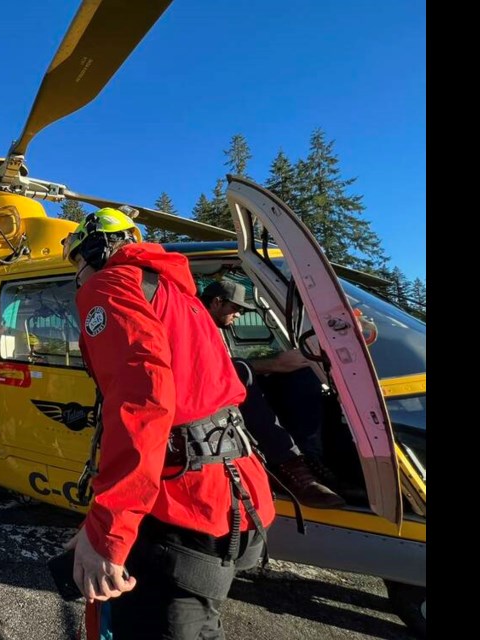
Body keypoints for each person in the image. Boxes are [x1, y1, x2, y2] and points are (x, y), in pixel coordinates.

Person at [61, 208, 276, 640]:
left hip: (180, 503)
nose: (78, 275)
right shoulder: (180, 297)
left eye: (78, 262)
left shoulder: (111, 285)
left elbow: (143, 402)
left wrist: (108, 531)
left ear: (96, 249)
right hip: (233, 492)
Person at [200, 281, 345, 509]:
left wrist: (282, 364)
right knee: (243, 370)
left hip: (222, 390)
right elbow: (210, 368)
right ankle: (288, 464)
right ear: (217, 302)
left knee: (300, 374)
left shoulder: (214, 330)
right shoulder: (190, 324)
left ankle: (309, 456)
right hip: (203, 401)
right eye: (235, 309)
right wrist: (274, 363)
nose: (238, 315)